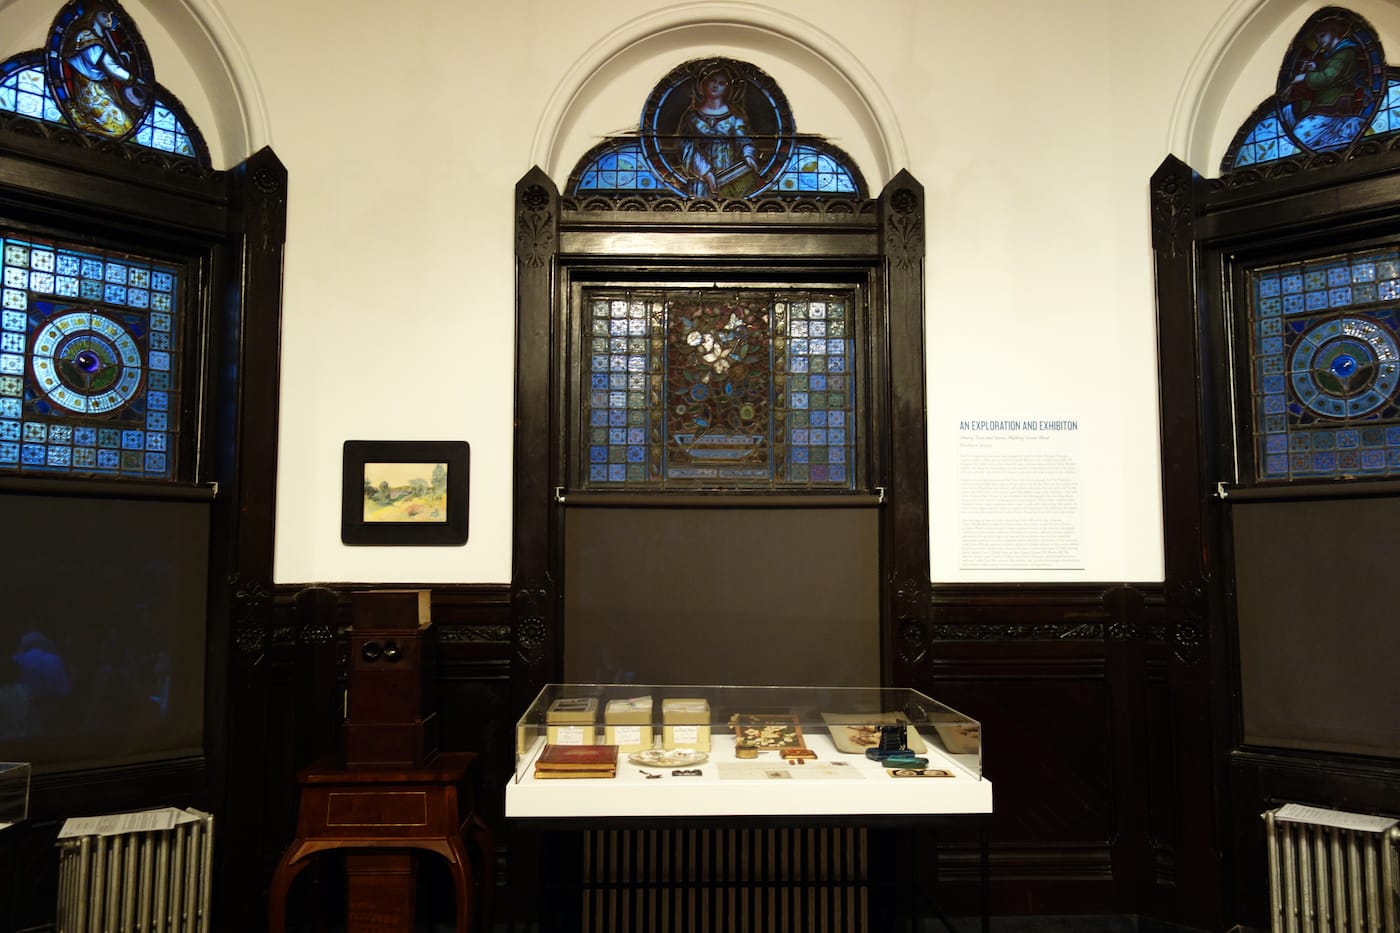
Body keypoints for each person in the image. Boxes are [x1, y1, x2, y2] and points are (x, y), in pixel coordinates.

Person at [675, 67, 762, 198]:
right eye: (712, 80)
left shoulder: (735, 116)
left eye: (722, 83)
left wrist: (749, 155)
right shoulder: (691, 117)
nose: (715, 86)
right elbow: (686, 147)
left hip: (729, 175)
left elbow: (744, 139)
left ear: (728, 89)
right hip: (700, 177)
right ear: (704, 84)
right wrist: (706, 172)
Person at [63, 9, 147, 137]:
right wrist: (133, 79)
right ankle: (80, 122)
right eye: (104, 14)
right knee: (122, 129)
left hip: (104, 89)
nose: (109, 18)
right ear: (93, 16)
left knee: (128, 126)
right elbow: (110, 67)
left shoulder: (101, 40)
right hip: (91, 91)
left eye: (110, 15)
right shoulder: (87, 37)